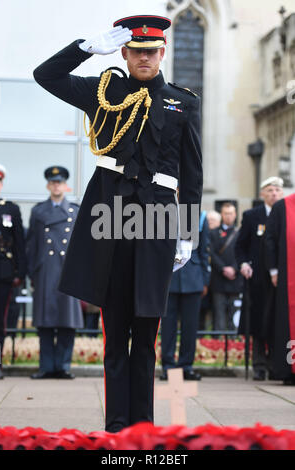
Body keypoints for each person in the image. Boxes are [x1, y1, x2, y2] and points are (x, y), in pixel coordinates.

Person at [33, 15, 202, 432]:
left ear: (162, 53)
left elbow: (192, 173)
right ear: (124, 53)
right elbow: (45, 75)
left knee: (147, 332)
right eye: (137, 51)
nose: (144, 57)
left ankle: (142, 426)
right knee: (116, 330)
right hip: (110, 212)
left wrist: (187, 232)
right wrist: (85, 49)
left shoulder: (182, 101)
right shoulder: (102, 90)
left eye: (152, 51)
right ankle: (116, 428)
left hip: (160, 216)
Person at [26, 166, 83, 379]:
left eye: (59, 182)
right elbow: (31, 245)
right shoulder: (38, 211)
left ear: (65, 185)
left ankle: (63, 366)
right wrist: (32, 273)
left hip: (68, 271)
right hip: (46, 271)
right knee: (45, 322)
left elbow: (82, 247)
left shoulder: (75, 212)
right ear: (48, 185)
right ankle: (46, 367)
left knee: (67, 322)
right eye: (53, 182)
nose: (56, 185)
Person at [235, 177, 284, 381]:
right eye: (270, 190)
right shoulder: (251, 215)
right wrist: (243, 264)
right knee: (257, 321)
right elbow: (240, 246)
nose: (274, 194)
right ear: (263, 193)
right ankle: (259, 365)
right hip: (257, 279)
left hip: (278, 278)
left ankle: (275, 364)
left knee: (275, 321)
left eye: (278, 190)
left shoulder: (285, 214)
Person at [160, 211, 210, 381]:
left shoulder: (200, 216)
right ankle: (167, 366)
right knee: (168, 327)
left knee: (190, 327)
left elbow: (204, 250)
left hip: (193, 277)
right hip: (169, 276)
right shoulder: (163, 211)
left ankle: (186, 366)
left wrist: (205, 280)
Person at [0, 163, 26, 379]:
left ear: (1, 183)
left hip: (1, 273)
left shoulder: (10, 209)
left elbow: (19, 245)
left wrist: (20, 273)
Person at [264, 192, 295, 385]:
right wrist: (274, 270)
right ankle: (288, 371)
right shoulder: (283, 207)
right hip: (287, 277)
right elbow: (269, 239)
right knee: (287, 323)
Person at [210, 202, 243, 331]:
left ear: (235, 215)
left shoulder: (240, 233)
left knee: (234, 315)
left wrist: (234, 269)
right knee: (219, 315)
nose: (229, 216)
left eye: (231, 213)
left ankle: (235, 344)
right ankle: (218, 344)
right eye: (226, 213)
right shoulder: (213, 233)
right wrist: (223, 268)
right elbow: (211, 253)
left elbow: (243, 253)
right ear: (222, 215)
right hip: (219, 279)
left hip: (236, 279)